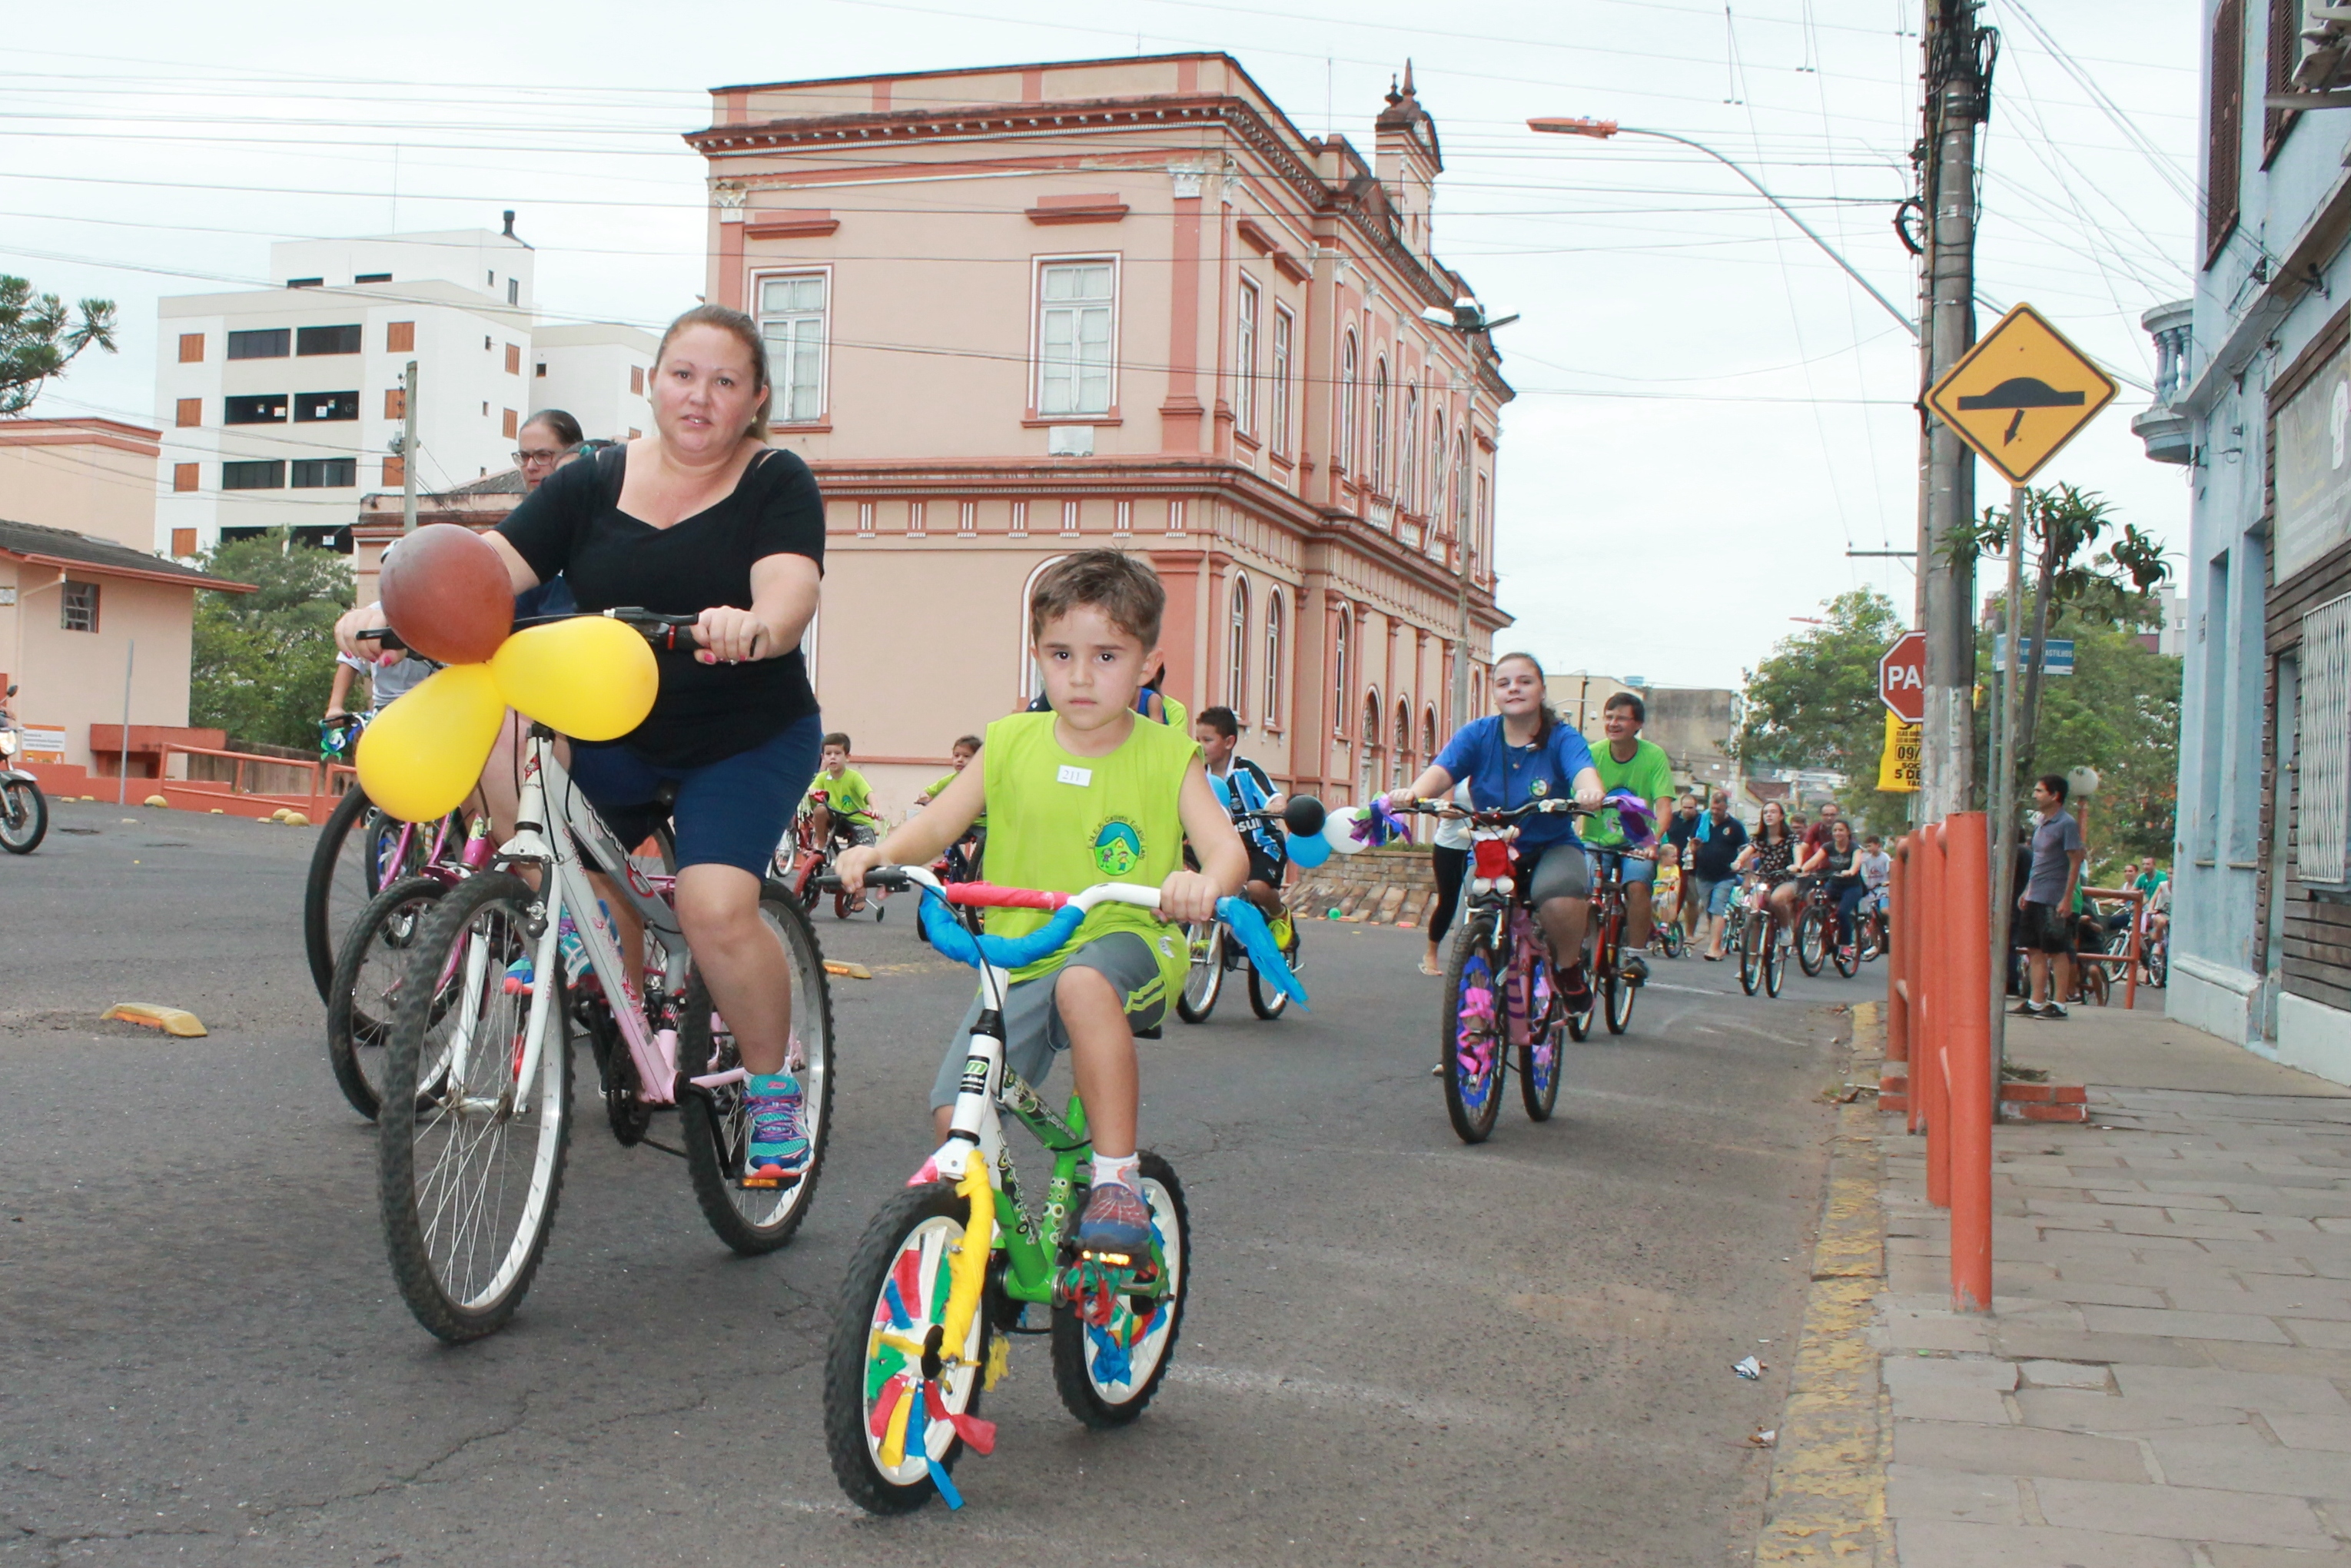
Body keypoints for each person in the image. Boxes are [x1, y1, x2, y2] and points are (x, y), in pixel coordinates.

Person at [335, 304, 825, 1181]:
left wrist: (756, 624)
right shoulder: (591, 480)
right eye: (683, 375)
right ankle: (614, 982)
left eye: (724, 383)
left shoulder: (775, 481)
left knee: (715, 908)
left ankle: (770, 1086)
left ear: (754, 400)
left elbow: (789, 590)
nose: (699, 398)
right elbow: (492, 570)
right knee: (521, 768)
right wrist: (396, 610)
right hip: (609, 725)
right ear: (653, 383)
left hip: (742, 735)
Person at [835, 550, 1247, 1255]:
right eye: (1061, 653)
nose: (1081, 675)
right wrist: (881, 853)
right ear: (1037, 655)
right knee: (954, 1112)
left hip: (1130, 941)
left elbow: (1226, 849)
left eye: (1107, 655)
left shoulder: (1166, 754)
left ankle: (1116, 1179)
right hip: (1023, 952)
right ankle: (993, 1251)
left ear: (1147, 663)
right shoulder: (1008, 741)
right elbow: (940, 824)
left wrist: (1203, 883)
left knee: (1085, 984)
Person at [1385, 651, 1604, 1011]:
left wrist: (1589, 791)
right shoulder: (1478, 734)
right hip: (1493, 844)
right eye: (1504, 683)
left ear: (1542, 690)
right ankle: (1472, 1036)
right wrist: (1412, 794)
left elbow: (1582, 770)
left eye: (1524, 682)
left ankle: (1567, 968)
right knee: (1475, 911)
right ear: (1494, 693)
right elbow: (1443, 771)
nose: (1514, 689)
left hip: (1551, 844)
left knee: (1560, 896)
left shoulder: (1562, 737)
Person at [1581, 691, 1675, 982]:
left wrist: (1653, 841)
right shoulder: (1592, 754)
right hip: (1596, 840)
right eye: (1609, 717)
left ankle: (1636, 955)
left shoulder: (1653, 756)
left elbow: (1663, 806)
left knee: (1637, 886)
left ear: (1638, 724)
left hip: (1639, 841)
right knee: (1582, 889)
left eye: (1621, 718)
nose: (1613, 723)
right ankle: (1584, 948)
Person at [1193, 706, 1293, 947]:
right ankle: (1207, 933)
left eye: (1207, 740)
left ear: (1229, 742)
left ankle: (1279, 914)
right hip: (1223, 847)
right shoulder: (1198, 775)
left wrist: (1278, 805)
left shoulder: (1245, 771)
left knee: (1257, 888)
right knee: (1203, 883)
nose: (1200, 746)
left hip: (1260, 845)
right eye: (1197, 740)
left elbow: (1272, 795)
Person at [2014, 773, 2085, 1021]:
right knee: (2034, 949)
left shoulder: (2067, 824)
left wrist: (2067, 898)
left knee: (2057, 950)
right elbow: (2038, 862)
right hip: (2035, 894)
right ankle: (2036, 1000)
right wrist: (2027, 890)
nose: (2035, 795)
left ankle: (2060, 1002)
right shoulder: (2042, 823)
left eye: (2040, 791)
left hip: (2054, 897)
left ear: (2055, 796)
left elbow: (2076, 860)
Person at [1421, 779, 1474, 978]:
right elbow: (1445, 811)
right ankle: (1431, 953)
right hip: (1451, 846)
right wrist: (1473, 812)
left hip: (1481, 844)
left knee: (1476, 901)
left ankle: (1472, 955)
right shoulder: (1457, 776)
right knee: (1449, 901)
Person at [1734, 798, 1803, 942]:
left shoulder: (1791, 839)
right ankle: (1752, 962)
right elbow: (1747, 852)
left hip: (1786, 880)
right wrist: (1738, 862)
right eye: (1765, 813)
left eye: (1773, 812)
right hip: (1766, 880)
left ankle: (1785, 929)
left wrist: (1796, 866)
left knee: (1776, 900)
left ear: (1782, 816)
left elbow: (1798, 854)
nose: (1769, 815)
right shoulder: (1759, 839)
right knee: (1754, 912)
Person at [1692, 789, 1749, 960]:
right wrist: (1694, 847)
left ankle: (1714, 948)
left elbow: (1745, 851)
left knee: (1718, 908)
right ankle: (1718, 939)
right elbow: (1693, 845)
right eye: (1713, 809)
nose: (1715, 813)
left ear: (1726, 807)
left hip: (1726, 875)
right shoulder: (1702, 821)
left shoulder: (1735, 826)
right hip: (1703, 874)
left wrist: (1747, 876)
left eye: (1719, 809)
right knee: (1710, 909)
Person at [1821, 818, 1867, 958]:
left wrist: (1851, 871)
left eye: (1841, 830)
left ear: (1848, 832)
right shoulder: (1829, 846)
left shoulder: (1854, 848)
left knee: (1843, 913)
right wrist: (1801, 869)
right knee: (1818, 902)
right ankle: (1825, 933)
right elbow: (1814, 860)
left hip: (1852, 887)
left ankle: (1846, 945)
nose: (1838, 833)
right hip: (1833, 884)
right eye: (1835, 830)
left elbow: (1856, 863)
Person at [1665, 792, 1703, 943]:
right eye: (1685, 808)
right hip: (1672, 866)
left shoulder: (1700, 821)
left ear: (1696, 808)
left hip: (1692, 867)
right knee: (1669, 900)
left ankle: (1690, 934)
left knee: (1692, 901)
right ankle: (1668, 931)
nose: (1687, 811)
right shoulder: (1672, 819)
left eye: (1691, 808)